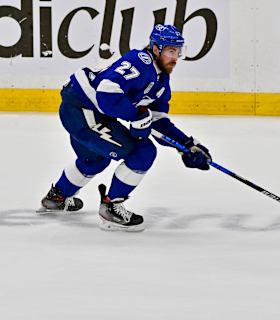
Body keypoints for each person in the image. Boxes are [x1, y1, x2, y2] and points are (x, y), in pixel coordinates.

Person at [38, 24, 212, 232]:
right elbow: (107, 92)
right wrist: (136, 116)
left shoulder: (161, 79)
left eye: (178, 52)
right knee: (143, 152)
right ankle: (111, 207)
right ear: (156, 49)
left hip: (84, 112)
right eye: (171, 51)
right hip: (82, 110)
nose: (175, 57)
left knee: (94, 160)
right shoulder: (140, 62)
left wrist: (186, 145)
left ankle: (57, 197)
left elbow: (157, 120)